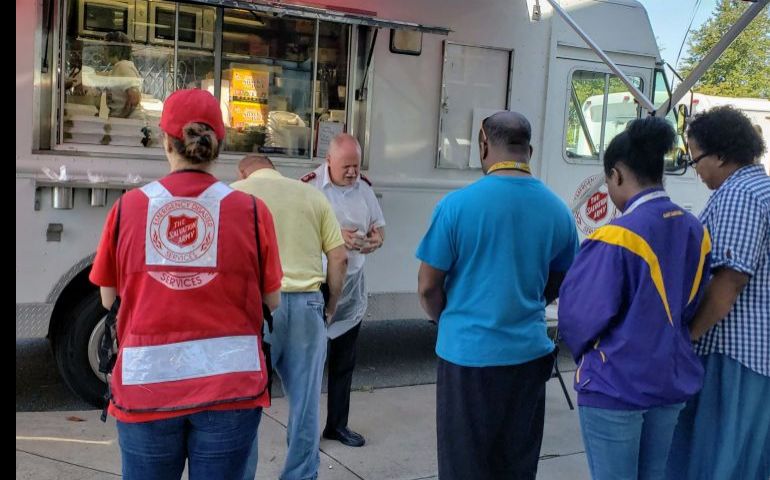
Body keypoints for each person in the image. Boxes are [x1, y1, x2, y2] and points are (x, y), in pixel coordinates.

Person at [89, 89, 283, 479]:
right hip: (230, 387)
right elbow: (272, 300)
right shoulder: (251, 211)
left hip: (146, 388)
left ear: (165, 140)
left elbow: (109, 297)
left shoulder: (128, 208)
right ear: (219, 144)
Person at [416, 111, 578, 479]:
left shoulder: (456, 206)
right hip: (528, 355)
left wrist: (448, 318)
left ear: (483, 143)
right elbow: (560, 281)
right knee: (516, 466)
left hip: (467, 357)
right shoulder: (558, 211)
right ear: (530, 150)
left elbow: (428, 286)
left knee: (464, 466)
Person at [557, 117, 711, 480]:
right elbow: (692, 304)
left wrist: (589, 354)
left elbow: (577, 317)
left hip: (616, 384)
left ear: (617, 175)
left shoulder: (616, 236)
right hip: (670, 380)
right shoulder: (695, 229)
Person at [666, 106, 770, 480]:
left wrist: (686, 338)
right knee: (748, 459)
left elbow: (728, 282)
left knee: (717, 461)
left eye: (696, 157)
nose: (695, 168)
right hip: (754, 355)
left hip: (732, 353)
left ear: (722, 154)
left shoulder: (740, 195)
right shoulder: (761, 188)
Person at [232, 154, 348, 480]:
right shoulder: (311, 194)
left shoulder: (233, 194)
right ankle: (300, 475)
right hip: (307, 305)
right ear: (274, 168)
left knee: (245, 404)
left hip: (254, 309)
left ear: (243, 171)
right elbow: (339, 259)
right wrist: (331, 305)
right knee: (305, 404)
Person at [302, 133, 386, 447]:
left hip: (351, 286)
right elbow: (297, 232)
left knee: (344, 361)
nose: (352, 172)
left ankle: (337, 424)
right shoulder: (308, 187)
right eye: (346, 166)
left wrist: (377, 239)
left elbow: (379, 227)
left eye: (356, 165)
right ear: (328, 161)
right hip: (317, 286)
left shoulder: (364, 189)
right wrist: (335, 237)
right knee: (309, 362)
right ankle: (304, 431)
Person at [102, 31, 142, 118]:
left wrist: (121, 117)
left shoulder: (123, 66)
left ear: (114, 49)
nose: (103, 52)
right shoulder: (118, 68)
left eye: (105, 48)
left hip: (128, 124)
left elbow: (134, 99)